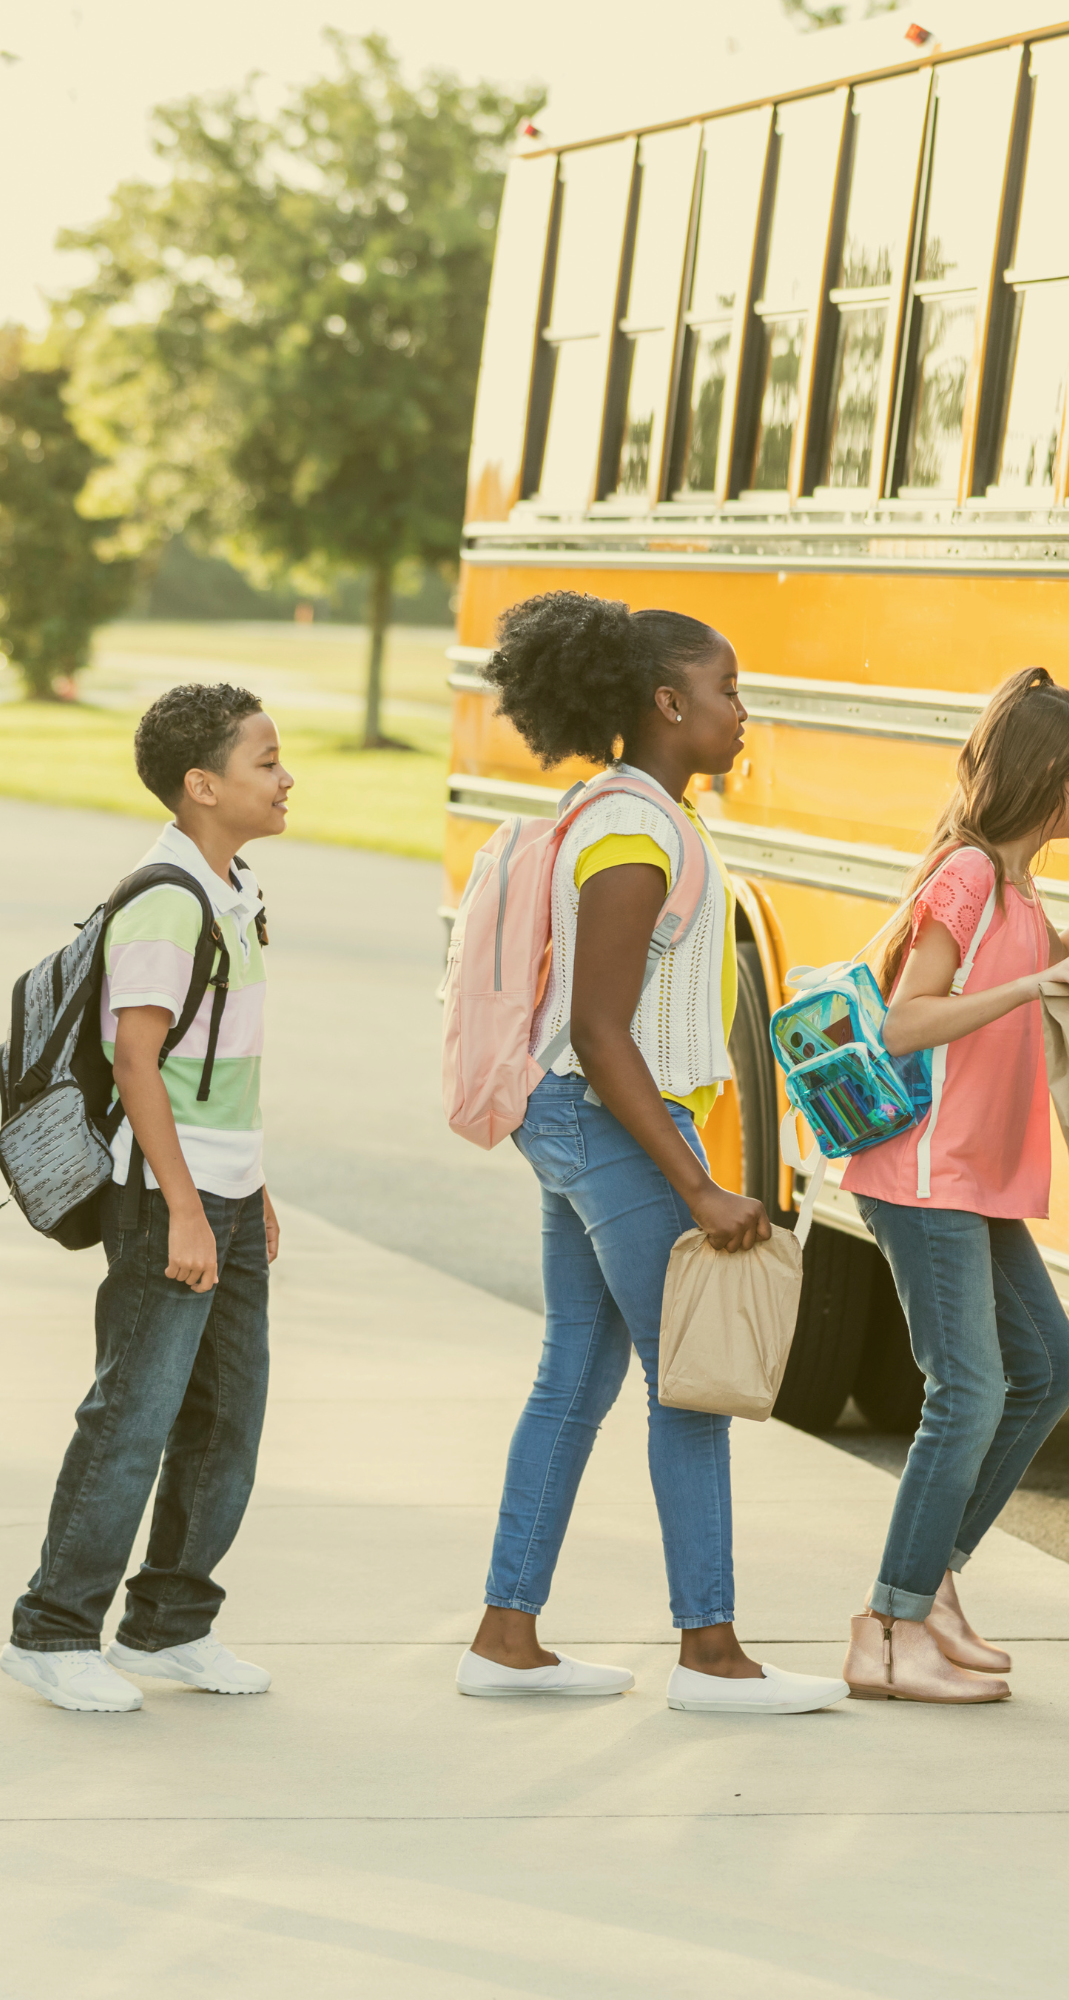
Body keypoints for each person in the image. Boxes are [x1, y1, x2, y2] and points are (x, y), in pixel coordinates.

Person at [458, 591, 847, 1716]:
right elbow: (595, 1025)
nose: (742, 714)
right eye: (727, 692)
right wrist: (698, 1182)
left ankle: (504, 1632)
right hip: (609, 1117)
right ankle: (710, 1654)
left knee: (575, 1373)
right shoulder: (629, 829)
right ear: (667, 702)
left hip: (587, 1117)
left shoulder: (636, 810)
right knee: (688, 1383)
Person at [837, 667, 1069, 1702]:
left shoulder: (1013, 882)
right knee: (966, 1394)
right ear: (1049, 775)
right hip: (922, 1174)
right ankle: (887, 1625)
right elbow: (906, 1016)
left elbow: (1065, 960)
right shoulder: (963, 875)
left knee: (1048, 1369)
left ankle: (930, 1580)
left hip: (977, 1177)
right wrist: (1021, 985)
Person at [1, 684, 291, 1715]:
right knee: (132, 1412)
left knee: (225, 1415)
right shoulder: (168, 897)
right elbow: (135, 1062)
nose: (285, 775)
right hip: (164, 1196)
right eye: (265, 761)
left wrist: (250, 1188)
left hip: (224, 1188)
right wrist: (180, 1206)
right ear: (201, 785)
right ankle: (51, 1629)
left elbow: (220, 1069)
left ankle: (170, 1625)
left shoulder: (232, 885)